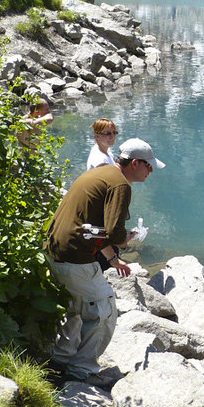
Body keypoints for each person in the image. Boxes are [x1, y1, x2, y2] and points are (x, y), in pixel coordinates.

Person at [44, 138, 165, 384]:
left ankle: (59, 363)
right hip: (74, 258)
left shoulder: (102, 174)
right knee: (104, 309)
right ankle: (82, 372)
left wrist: (112, 259)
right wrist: (125, 240)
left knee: (78, 307)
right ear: (134, 163)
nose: (150, 171)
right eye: (148, 166)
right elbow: (113, 232)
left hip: (55, 250)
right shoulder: (121, 185)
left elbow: (93, 227)